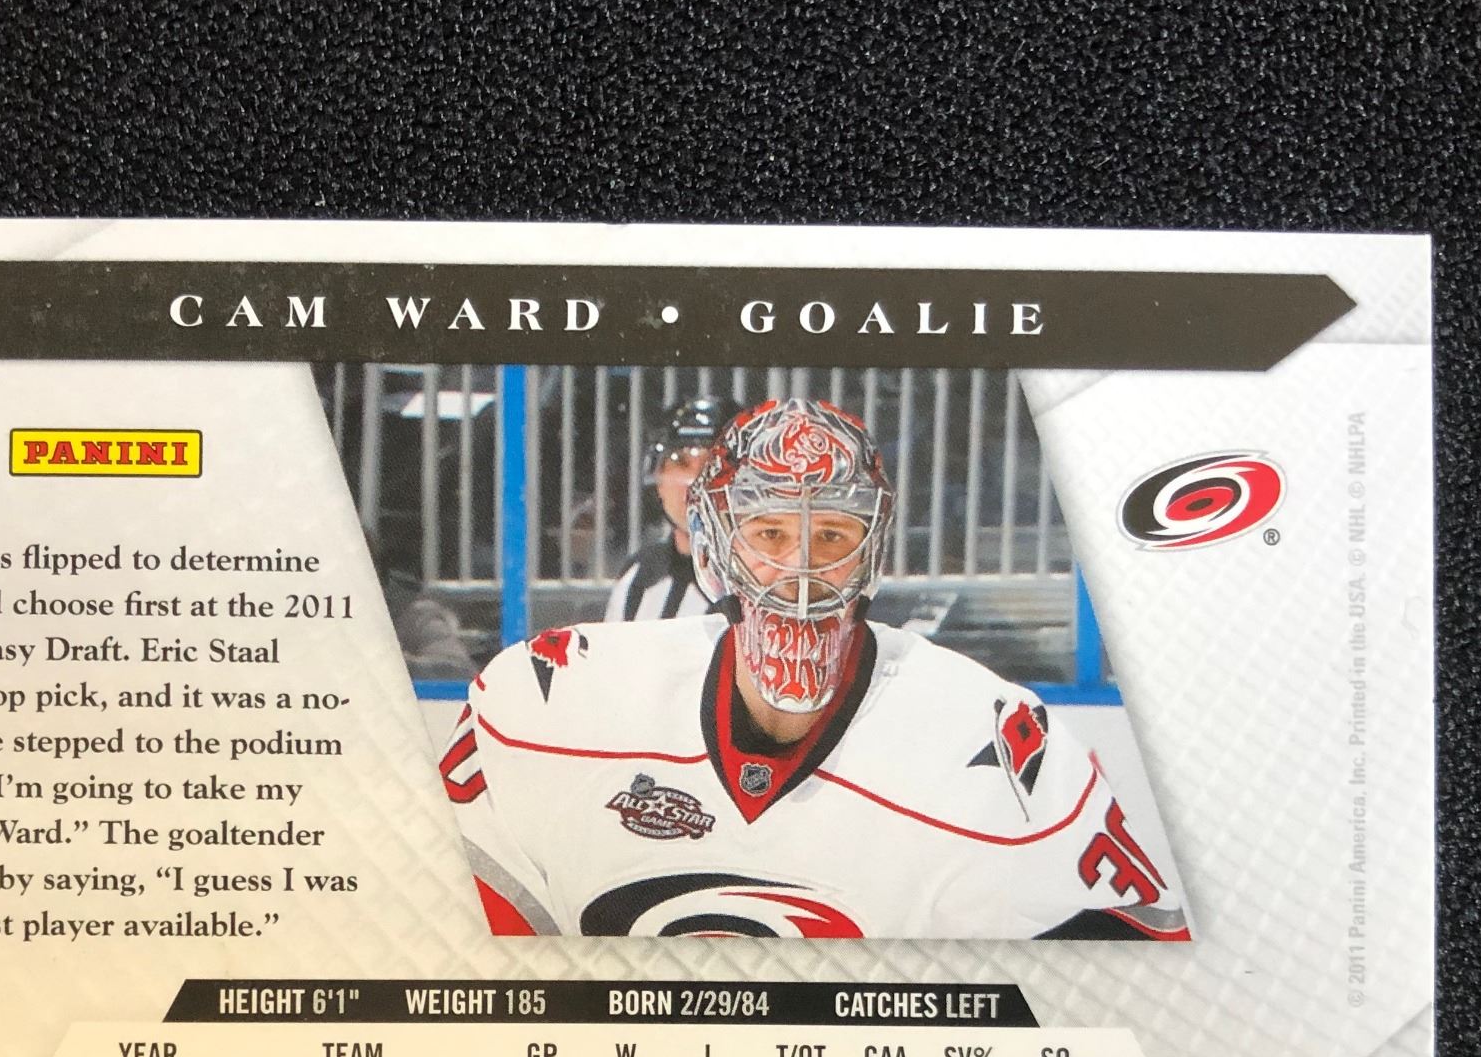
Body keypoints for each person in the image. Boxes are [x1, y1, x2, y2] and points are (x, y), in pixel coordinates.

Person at [439, 397, 1188, 940]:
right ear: (716, 551)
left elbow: (1131, 997)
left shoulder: (1002, 753)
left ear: (873, 555)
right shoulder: (551, 697)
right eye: (769, 533)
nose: (799, 575)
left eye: (832, 535)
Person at [601, 395, 729, 622]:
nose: (694, 483)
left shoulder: (762, 588)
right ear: (658, 480)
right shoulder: (637, 577)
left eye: (712, 466)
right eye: (680, 463)